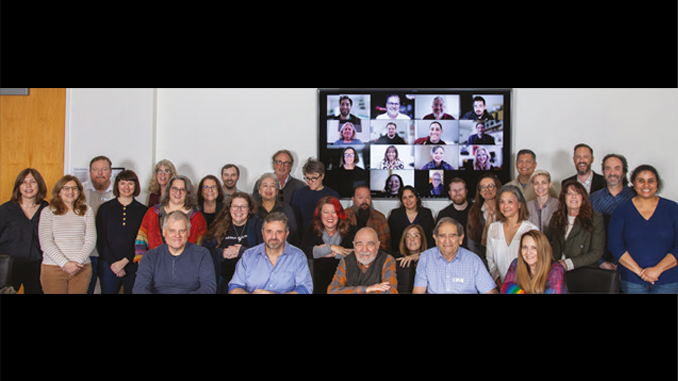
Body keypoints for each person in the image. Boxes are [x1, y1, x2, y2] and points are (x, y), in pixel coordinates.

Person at [608, 165, 678, 293]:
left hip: (668, 281)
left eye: (651, 180)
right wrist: (640, 272)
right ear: (633, 183)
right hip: (632, 280)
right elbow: (615, 246)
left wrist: (657, 270)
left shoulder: (673, 209)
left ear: (657, 183)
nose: (646, 185)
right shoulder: (621, 211)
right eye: (641, 180)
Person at [228, 212, 313, 294]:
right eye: (269, 231)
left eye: (279, 232)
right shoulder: (248, 256)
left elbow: (305, 287)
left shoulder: (298, 256)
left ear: (286, 234)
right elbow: (235, 287)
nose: (273, 237)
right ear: (262, 233)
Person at [38, 175, 96, 294]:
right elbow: (45, 242)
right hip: (53, 268)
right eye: (66, 188)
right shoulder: (47, 211)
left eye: (74, 188)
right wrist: (65, 263)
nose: (70, 191)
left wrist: (76, 263)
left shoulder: (87, 211)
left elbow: (90, 240)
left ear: (79, 192)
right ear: (59, 192)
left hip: (81, 268)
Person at [133, 210, 215, 294]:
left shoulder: (202, 254)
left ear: (188, 232)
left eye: (182, 231)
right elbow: (140, 288)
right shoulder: (150, 256)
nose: (177, 236)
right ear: (164, 232)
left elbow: (208, 287)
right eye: (172, 231)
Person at [134, 175, 207, 264]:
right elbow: (141, 240)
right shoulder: (152, 213)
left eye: (182, 190)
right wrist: (142, 263)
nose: (178, 192)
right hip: (154, 267)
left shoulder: (197, 217)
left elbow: (201, 248)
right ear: (168, 190)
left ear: (188, 193)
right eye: (174, 188)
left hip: (186, 268)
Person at [412, 217, 497, 294]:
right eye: (442, 236)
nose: (447, 240)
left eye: (452, 236)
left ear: (461, 239)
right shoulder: (426, 258)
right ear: (436, 239)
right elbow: (418, 292)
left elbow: (490, 292)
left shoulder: (474, 261)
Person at [95, 170, 146, 294]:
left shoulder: (143, 211)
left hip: (133, 264)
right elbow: (100, 239)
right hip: (108, 265)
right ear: (117, 185)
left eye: (130, 183)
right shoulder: (105, 209)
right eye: (122, 183)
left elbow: (142, 239)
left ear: (136, 186)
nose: (126, 187)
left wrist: (124, 262)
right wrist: (114, 263)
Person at [202, 192, 264, 293]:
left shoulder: (258, 225)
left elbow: (267, 253)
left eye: (243, 206)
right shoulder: (219, 225)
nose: (238, 210)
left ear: (249, 209)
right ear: (229, 208)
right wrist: (222, 254)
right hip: (223, 279)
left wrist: (243, 252)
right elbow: (204, 253)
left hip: (251, 281)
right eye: (235, 206)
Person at [0, 169, 49, 293]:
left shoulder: (47, 209)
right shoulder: (6, 209)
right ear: (18, 186)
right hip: (10, 264)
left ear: (39, 185)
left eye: (33, 182)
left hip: (37, 264)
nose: (28, 186)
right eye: (23, 182)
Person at [301, 196, 357, 294]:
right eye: (326, 212)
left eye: (334, 212)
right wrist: (331, 248)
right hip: (319, 283)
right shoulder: (312, 229)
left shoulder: (351, 229)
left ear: (339, 214)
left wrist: (334, 254)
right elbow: (304, 251)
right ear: (319, 214)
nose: (330, 216)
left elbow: (359, 253)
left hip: (346, 281)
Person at [486, 185, 539, 287]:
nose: (505, 206)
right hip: (500, 286)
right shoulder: (493, 228)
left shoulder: (531, 229)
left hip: (526, 286)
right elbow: (490, 259)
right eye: (502, 202)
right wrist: (499, 282)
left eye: (510, 202)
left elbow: (536, 262)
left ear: (519, 204)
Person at [546, 181, 605, 272]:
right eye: (569, 193)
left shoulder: (595, 219)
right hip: (557, 272)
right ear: (564, 197)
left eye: (577, 193)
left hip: (584, 272)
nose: (573, 196)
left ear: (583, 197)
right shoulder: (556, 218)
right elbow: (546, 243)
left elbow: (596, 252)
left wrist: (568, 264)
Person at [589, 153, 634, 270]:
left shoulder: (635, 198)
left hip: (632, 263)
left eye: (617, 168)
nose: (612, 173)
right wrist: (600, 262)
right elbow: (586, 231)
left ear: (624, 173)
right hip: (600, 263)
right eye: (608, 169)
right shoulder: (593, 198)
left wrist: (626, 262)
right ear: (603, 172)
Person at [327, 227, 398, 294]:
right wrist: (367, 289)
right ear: (354, 245)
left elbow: (389, 292)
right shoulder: (345, 261)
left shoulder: (387, 260)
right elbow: (332, 291)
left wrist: (349, 291)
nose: (364, 250)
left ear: (378, 245)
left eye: (369, 244)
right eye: (359, 245)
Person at [82, 155, 116, 294]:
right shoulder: (79, 192)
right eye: (95, 170)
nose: (100, 173)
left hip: (110, 253)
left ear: (110, 172)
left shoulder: (118, 192)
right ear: (90, 172)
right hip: (86, 253)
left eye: (104, 169)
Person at [501, 230, 567, 294]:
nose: (528, 252)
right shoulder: (516, 264)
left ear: (543, 249)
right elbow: (505, 289)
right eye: (525, 247)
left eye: (534, 247)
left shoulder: (556, 269)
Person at [290, 157, 340, 231]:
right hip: (304, 236)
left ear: (322, 176)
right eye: (307, 178)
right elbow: (295, 221)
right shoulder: (299, 193)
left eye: (314, 178)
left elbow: (335, 220)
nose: (310, 182)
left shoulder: (332, 194)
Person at [466, 173, 502, 263]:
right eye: (483, 187)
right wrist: (483, 262)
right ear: (480, 191)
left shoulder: (505, 209)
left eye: (490, 186)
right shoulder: (474, 211)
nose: (487, 190)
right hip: (481, 259)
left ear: (497, 187)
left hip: (503, 258)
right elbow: (471, 243)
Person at [254, 173, 298, 245]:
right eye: (265, 185)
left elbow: (293, 235)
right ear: (259, 190)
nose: (268, 189)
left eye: (272, 186)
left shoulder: (287, 209)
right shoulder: (252, 209)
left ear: (277, 191)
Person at [387, 186, 435, 251]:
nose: (408, 200)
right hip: (400, 254)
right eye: (404, 198)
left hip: (423, 254)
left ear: (417, 198)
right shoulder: (395, 215)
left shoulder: (426, 214)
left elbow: (430, 239)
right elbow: (391, 240)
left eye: (411, 196)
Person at [344, 185, 391, 252]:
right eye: (360, 198)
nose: (364, 201)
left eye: (367, 198)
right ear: (353, 199)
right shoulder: (344, 216)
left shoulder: (379, 218)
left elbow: (385, 245)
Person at [436, 177, 471, 249]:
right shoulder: (443, 214)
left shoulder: (477, 210)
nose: (457, 193)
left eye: (460, 190)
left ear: (466, 191)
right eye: (454, 190)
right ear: (449, 193)